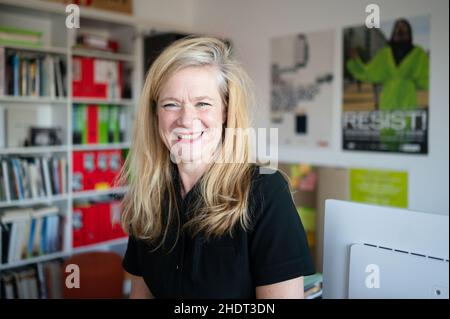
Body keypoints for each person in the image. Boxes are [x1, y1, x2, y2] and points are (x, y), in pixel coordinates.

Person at [119, 37, 315, 299]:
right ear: (155, 115)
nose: (186, 119)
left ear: (225, 111)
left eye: (203, 103)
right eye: (171, 104)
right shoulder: (148, 194)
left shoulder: (266, 192)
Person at [347, 18, 429, 110]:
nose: (400, 30)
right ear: (393, 33)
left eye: (404, 28)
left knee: (407, 122)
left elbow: (426, 77)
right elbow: (369, 72)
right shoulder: (385, 54)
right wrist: (356, 61)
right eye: (398, 27)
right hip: (388, 99)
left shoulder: (418, 53)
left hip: (408, 98)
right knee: (387, 123)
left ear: (409, 32)